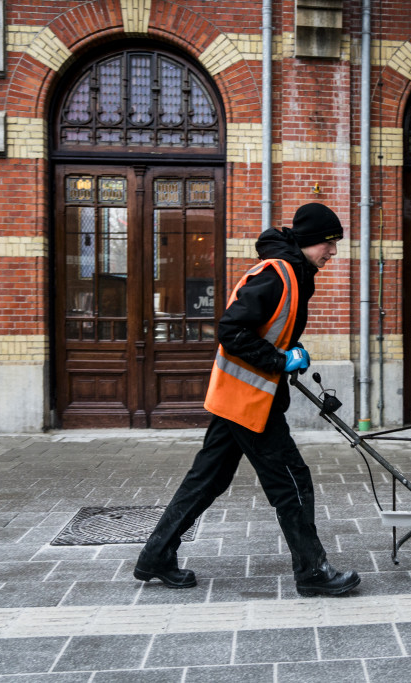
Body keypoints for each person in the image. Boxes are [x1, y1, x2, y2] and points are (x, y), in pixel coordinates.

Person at [134, 203, 360, 597]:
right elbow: (231, 330)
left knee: (208, 479)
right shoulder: (277, 275)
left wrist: (288, 352)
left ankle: (156, 555)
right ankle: (312, 571)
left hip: (241, 398)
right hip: (252, 402)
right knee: (292, 482)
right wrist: (279, 360)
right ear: (308, 240)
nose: (333, 251)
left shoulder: (295, 273)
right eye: (328, 242)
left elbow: (266, 330)